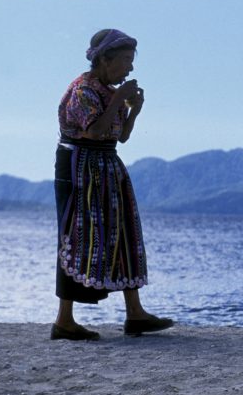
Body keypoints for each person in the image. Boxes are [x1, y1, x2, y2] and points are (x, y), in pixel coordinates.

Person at [52, 29, 173, 341]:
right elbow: (93, 131)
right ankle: (64, 320)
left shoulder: (107, 90)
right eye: (125, 61)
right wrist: (120, 98)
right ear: (105, 60)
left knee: (123, 233)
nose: (129, 69)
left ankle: (135, 312)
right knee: (78, 237)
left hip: (106, 165)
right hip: (79, 167)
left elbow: (121, 135)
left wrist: (134, 110)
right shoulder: (83, 91)